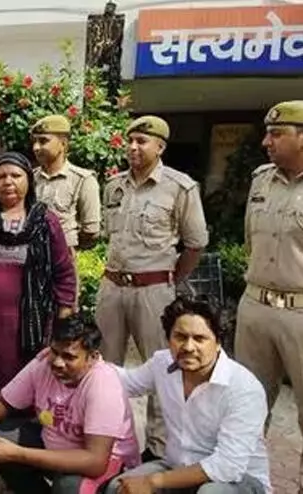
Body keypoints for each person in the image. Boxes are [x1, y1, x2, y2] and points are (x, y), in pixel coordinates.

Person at [96, 116, 208, 459]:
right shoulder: (114, 186)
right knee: (103, 369)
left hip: (154, 291)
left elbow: (195, 243)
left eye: (142, 141)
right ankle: (106, 441)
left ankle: (158, 450)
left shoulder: (179, 187)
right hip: (112, 287)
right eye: (130, 141)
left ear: (160, 147)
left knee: (164, 367)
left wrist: (171, 278)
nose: (133, 147)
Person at [106, 297, 270, 494]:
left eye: (199, 339)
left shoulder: (243, 388)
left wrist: (154, 481)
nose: (188, 347)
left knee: (211, 493)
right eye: (180, 337)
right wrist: (89, 360)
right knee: (120, 487)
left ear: (218, 342)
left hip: (239, 481)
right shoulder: (162, 363)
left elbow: (227, 466)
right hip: (177, 467)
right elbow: (126, 382)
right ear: (169, 339)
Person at [0, 316, 139, 494]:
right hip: (56, 447)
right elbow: (2, 400)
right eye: (55, 352)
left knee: (68, 487)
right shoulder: (43, 364)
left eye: (69, 357)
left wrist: (18, 453)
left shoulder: (103, 384)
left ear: (92, 357)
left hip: (105, 466)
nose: (57, 362)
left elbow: (96, 462)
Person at [0, 151, 76, 391]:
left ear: (28, 180)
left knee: (20, 387)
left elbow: (64, 274)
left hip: (25, 328)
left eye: (16, 176)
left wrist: (63, 322)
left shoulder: (45, 221)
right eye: (1, 176)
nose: (8, 181)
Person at [235, 100, 303, 492]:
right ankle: (244, 484)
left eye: (277, 134)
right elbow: (250, 240)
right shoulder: (261, 180)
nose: (266, 142)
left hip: (300, 311)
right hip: (256, 307)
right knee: (246, 406)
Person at [31, 115, 101, 250]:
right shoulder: (30, 178)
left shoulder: (82, 180)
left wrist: (66, 243)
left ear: (63, 144)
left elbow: (91, 231)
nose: (36, 147)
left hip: (63, 256)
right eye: (34, 141)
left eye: (43, 141)